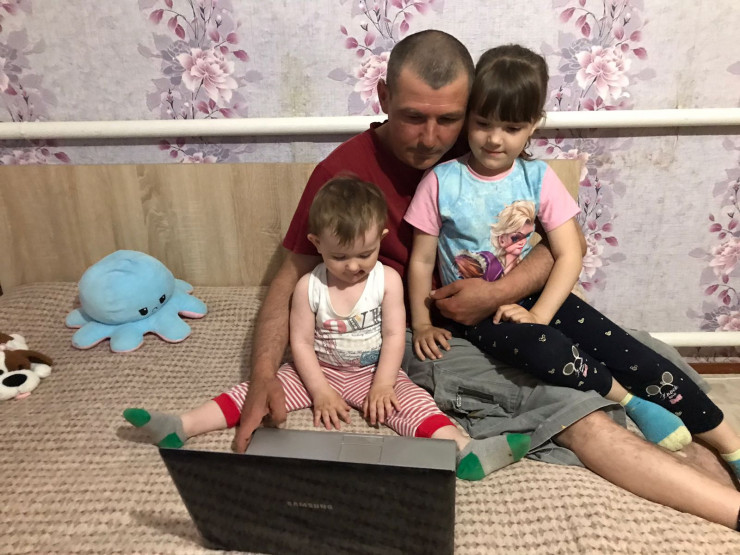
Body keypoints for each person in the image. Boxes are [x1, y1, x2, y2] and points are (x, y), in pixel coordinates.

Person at [224, 30, 740, 530]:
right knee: (574, 408)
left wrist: (498, 294)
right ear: (383, 97)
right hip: (426, 334)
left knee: (648, 359)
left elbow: (560, 246)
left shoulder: (485, 146)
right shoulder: (343, 175)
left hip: (511, 309)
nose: (431, 138)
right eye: (413, 117)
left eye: (449, 119)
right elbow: (288, 280)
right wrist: (264, 373)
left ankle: (719, 450)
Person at [405, 44, 740, 466]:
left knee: (629, 350)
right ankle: (631, 402)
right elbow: (421, 261)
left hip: (534, 299)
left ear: (533, 125)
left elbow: (569, 253)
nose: (494, 138)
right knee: (548, 349)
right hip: (473, 316)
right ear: (469, 116)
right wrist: (422, 323)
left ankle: (730, 445)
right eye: (483, 123)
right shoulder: (441, 181)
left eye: (511, 127)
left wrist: (540, 312)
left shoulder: (538, 177)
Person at [123, 177, 531, 480]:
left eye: (366, 253)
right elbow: (300, 343)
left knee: (414, 405)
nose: (354, 266)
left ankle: (466, 450)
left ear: (381, 239)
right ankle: (182, 425)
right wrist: (318, 390)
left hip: (374, 371)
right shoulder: (308, 286)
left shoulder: (388, 280)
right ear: (316, 243)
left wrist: (384, 384)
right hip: (318, 370)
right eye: (339, 257)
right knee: (255, 390)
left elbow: (395, 336)